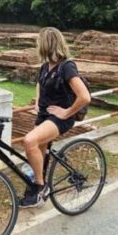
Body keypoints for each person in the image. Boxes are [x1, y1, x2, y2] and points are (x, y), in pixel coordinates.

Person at [22, 27, 90, 207]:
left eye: (39, 42)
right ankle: (38, 182)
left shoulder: (67, 66)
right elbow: (39, 83)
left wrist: (66, 112)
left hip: (60, 118)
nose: (37, 45)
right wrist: (37, 101)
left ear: (46, 44)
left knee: (29, 141)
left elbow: (85, 96)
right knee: (40, 151)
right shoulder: (45, 67)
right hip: (44, 115)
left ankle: (40, 187)